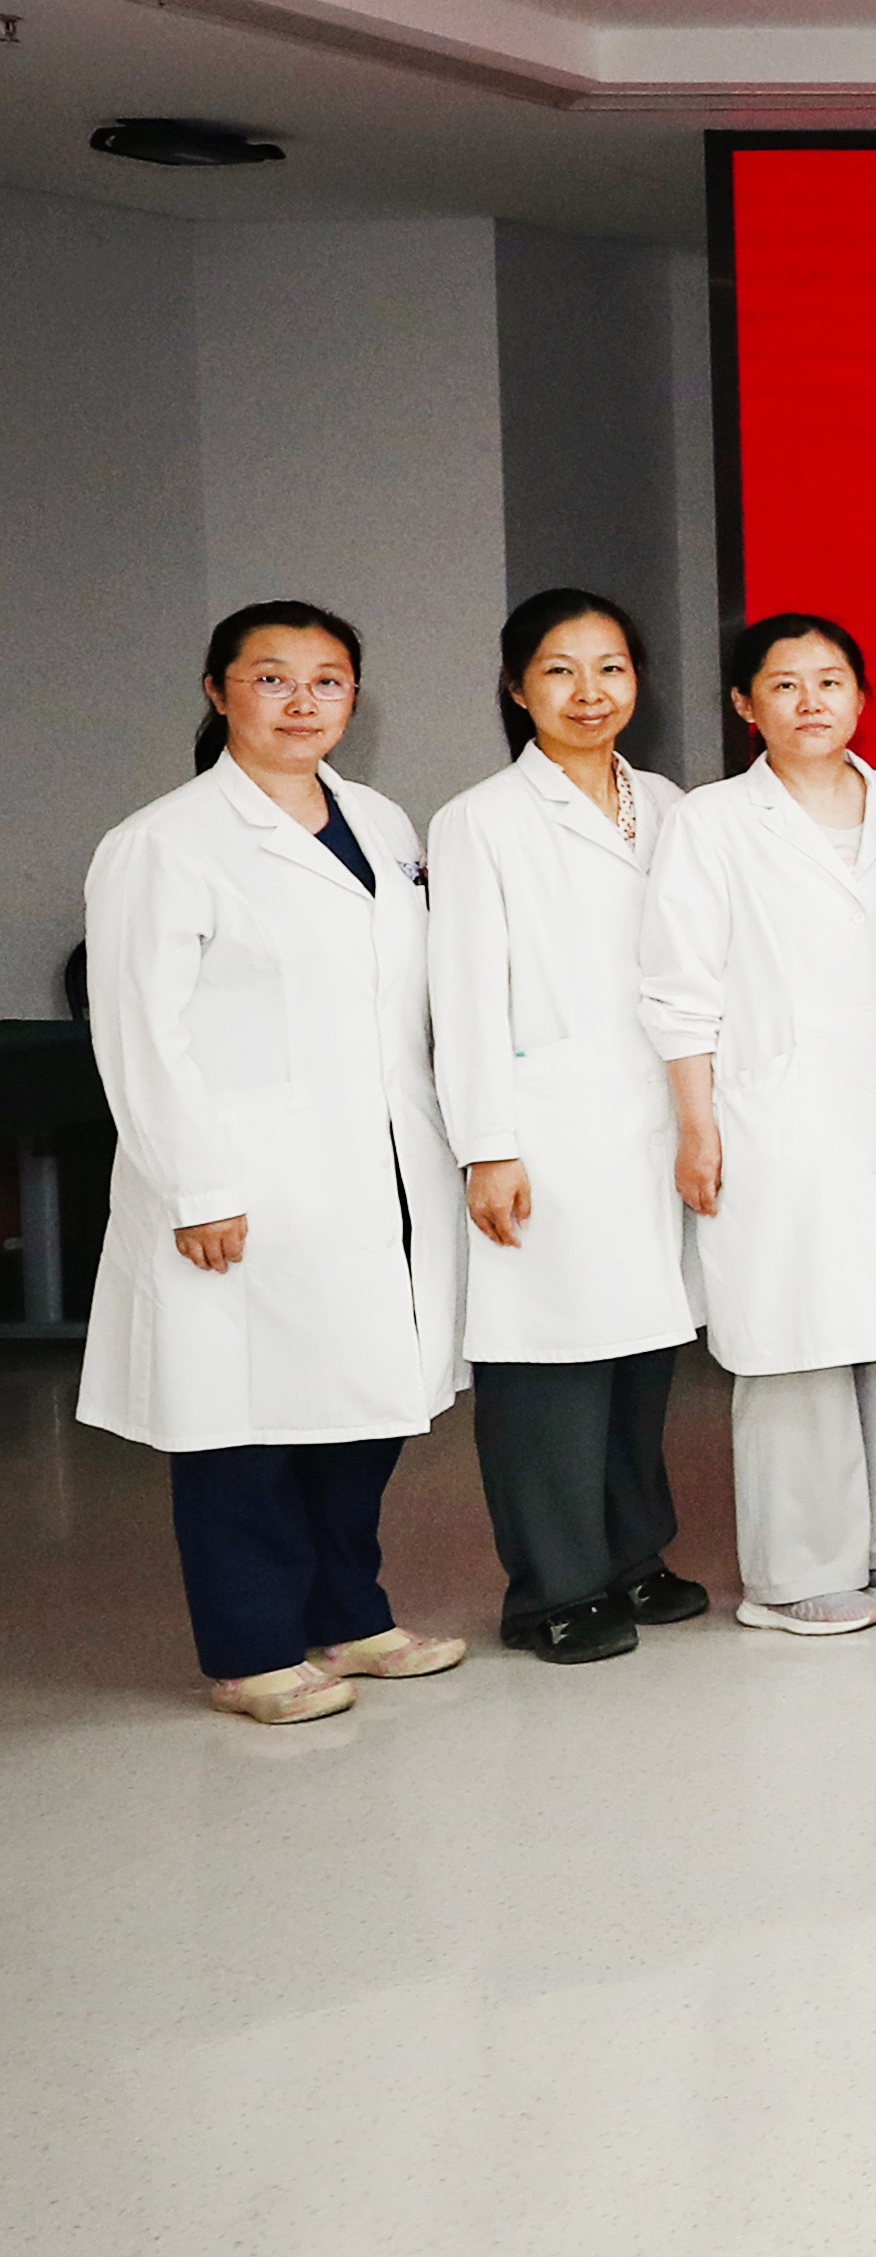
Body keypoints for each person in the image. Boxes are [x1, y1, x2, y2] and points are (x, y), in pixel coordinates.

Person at [85, 603, 473, 1721]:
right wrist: (195, 1186)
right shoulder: (162, 843)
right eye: (272, 678)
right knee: (241, 1423)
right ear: (219, 692)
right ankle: (252, 1649)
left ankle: (351, 1616)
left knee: (362, 1405)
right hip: (242, 1174)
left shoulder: (381, 821)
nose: (303, 702)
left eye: (328, 679)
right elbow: (142, 1038)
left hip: (382, 1160)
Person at [639, 613, 876, 1637]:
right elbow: (678, 985)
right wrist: (698, 1127)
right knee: (797, 1340)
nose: (811, 701)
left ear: (862, 696)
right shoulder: (714, 822)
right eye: (784, 684)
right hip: (773, 1113)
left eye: (830, 680)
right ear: (745, 705)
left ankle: (871, 1544)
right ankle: (789, 1576)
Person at [428, 587, 704, 1663]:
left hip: (653, 1115)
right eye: (559, 670)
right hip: (543, 1124)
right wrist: (487, 1146)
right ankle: (553, 1587)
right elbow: (464, 995)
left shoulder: (670, 804)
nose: (589, 692)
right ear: (516, 687)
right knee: (549, 1362)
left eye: (611, 668)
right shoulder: (481, 819)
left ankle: (634, 1556)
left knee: (640, 1349)